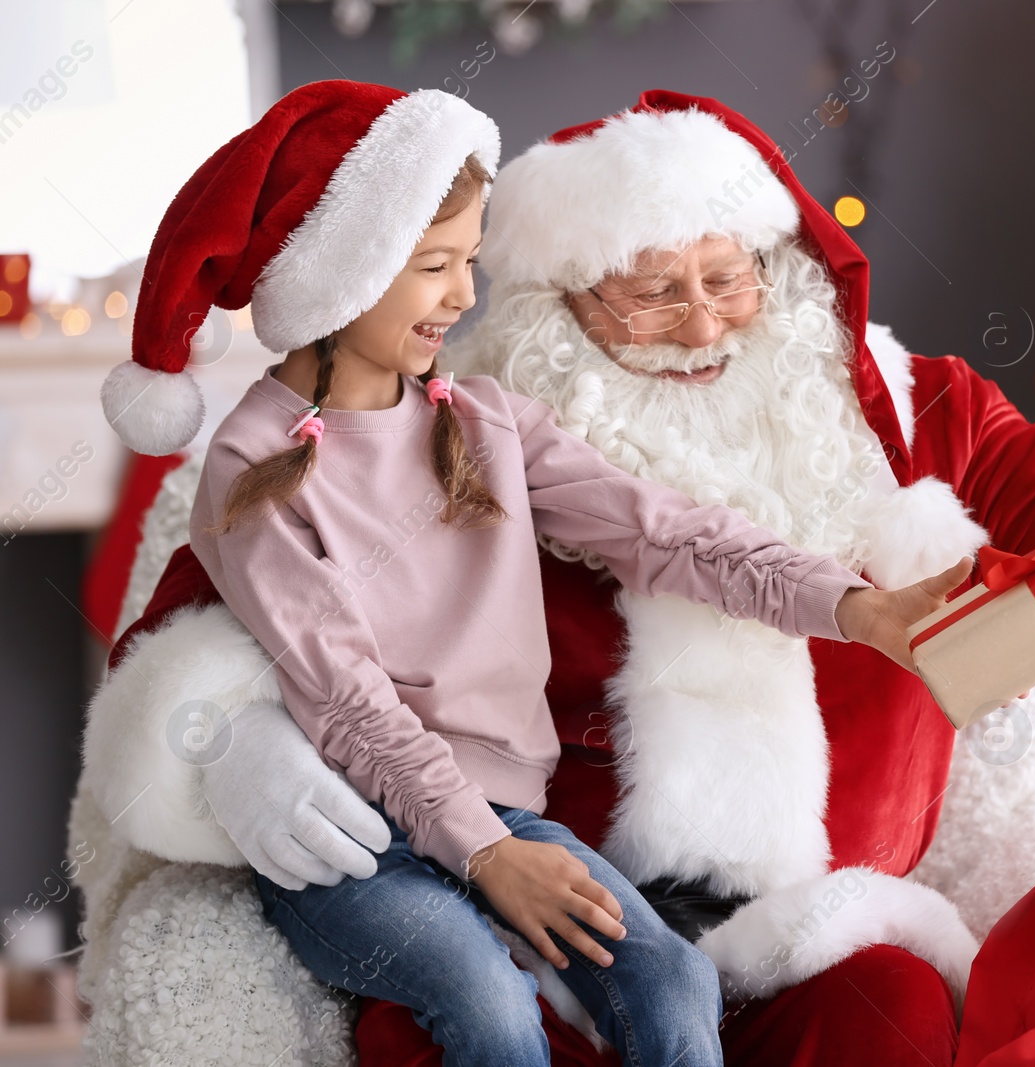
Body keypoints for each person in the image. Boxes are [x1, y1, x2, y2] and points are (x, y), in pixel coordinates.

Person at [76, 91, 1035, 1066]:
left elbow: (682, 531)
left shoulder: (884, 413)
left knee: (889, 1017)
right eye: (646, 295)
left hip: (797, 914)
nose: (699, 324)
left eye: (726, 278)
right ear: (562, 306)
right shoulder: (353, 441)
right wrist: (222, 742)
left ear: (779, 268)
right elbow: (232, 637)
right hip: (477, 850)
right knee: (454, 1006)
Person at [94, 81, 970, 1067]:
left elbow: (671, 534)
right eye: (433, 267)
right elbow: (348, 703)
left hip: (500, 817)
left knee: (668, 976)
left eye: (467, 262)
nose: (464, 297)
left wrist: (854, 604)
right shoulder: (253, 470)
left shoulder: (484, 424)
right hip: (358, 845)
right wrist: (488, 857)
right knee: (486, 999)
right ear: (345, 274)